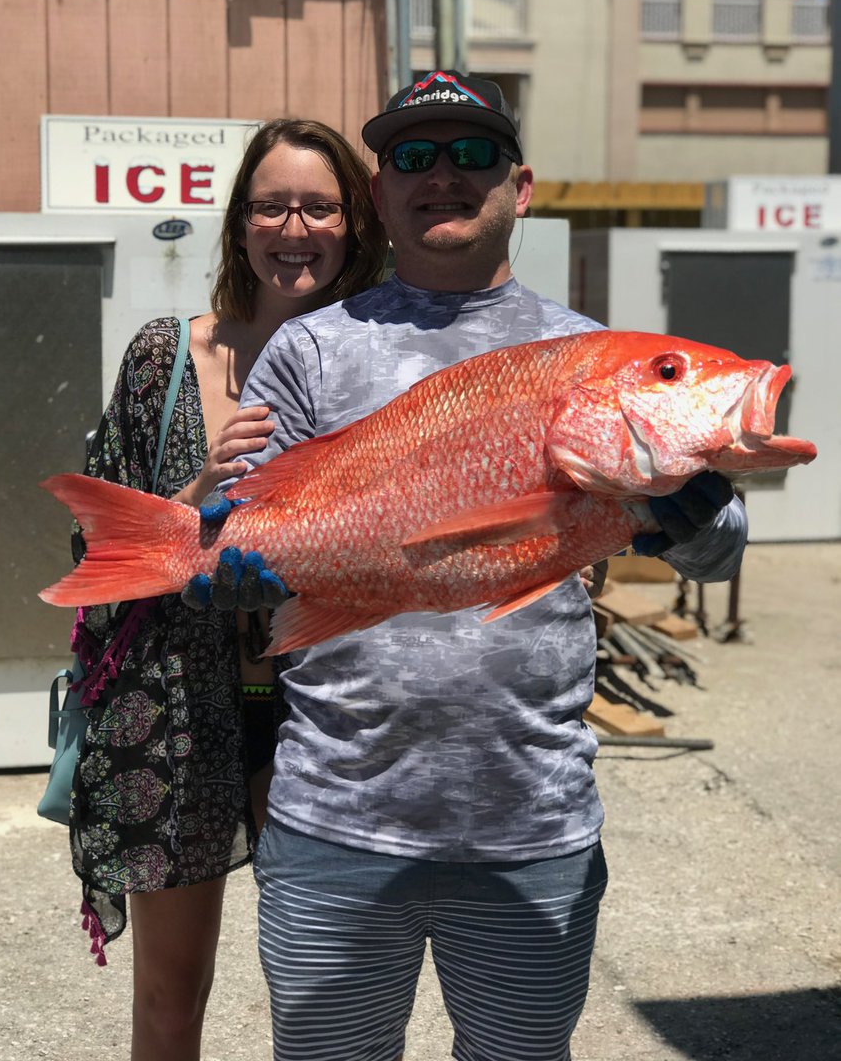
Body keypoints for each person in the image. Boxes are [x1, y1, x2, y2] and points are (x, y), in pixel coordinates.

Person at [209, 72, 748, 1061]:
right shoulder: (314, 348)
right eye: (413, 156)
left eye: (472, 154)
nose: (443, 176)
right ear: (381, 194)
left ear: (522, 184)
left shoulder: (599, 357)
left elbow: (721, 550)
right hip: (336, 817)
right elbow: (247, 516)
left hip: (531, 824)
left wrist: (693, 513)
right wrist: (223, 553)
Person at [68, 118, 387, 1061]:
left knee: (335, 988)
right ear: (240, 225)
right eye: (271, 205)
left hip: (327, 707)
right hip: (175, 709)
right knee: (173, 1000)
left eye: (320, 206)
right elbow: (95, 545)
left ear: (355, 225)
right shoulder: (167, 358)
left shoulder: (378, 367)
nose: (296, 227)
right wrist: (202, 488)